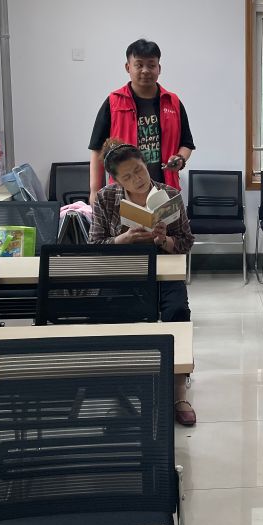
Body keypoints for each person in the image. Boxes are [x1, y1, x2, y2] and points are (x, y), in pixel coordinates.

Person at [90, 139, 197, 426]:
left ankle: (178, 391)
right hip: (123, 272)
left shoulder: (169, 195)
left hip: (164, 271)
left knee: (177, 312)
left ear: (145, 164)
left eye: (139, 170)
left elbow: (186, 242)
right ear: (116, 180)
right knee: (111, 313)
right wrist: (122, 240)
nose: (137, 179)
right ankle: (122, 387)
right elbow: (94, 246)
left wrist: (164, 239)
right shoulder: (105, 198)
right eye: (127, 177)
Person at [88, 39, 196, 202]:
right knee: (127, 221)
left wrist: (180, 158)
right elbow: (97, 149)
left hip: (164, 190)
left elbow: (187, 143)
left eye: (151, 65)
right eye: (139, 65)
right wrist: (95, 190)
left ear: (159, 68)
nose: (145, 70)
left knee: (165, 221)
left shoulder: (172, 102)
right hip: (123, 192)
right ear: (128, 67)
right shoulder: (113, 102)